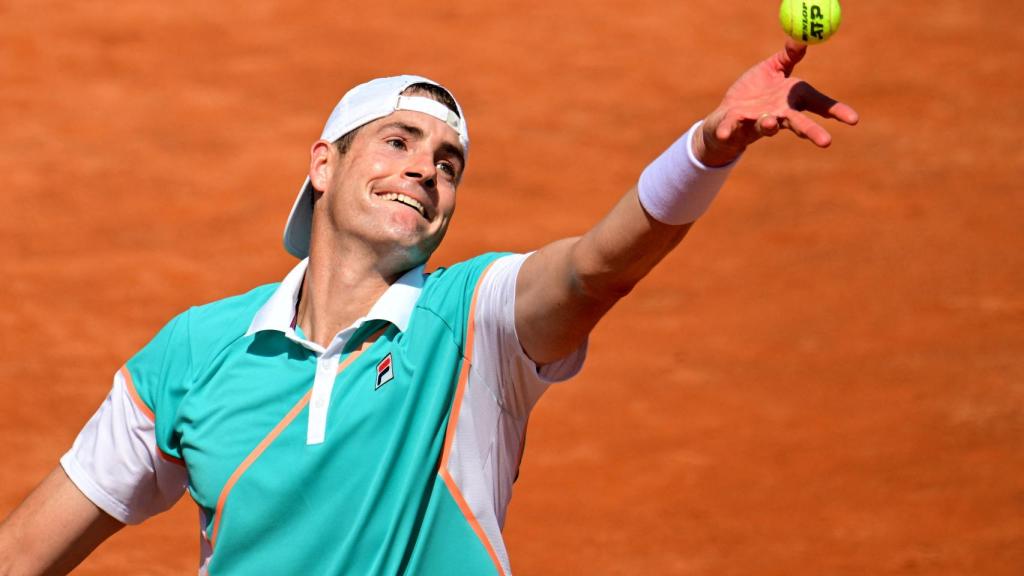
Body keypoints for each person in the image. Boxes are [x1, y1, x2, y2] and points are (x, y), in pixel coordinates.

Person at [0, 40, 857, 575]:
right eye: (399, 142)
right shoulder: (195, 352)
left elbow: (595, 268)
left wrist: (706, 149)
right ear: (323, 166)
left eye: (448, 163)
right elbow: (25, 552)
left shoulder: (473, 324)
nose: (425, 168)